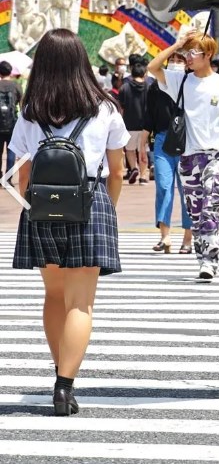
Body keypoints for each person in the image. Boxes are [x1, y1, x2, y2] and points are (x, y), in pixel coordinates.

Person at [9, 29, 129, 416]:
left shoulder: (30, 112)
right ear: (81, 63)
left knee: (54, 296)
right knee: (82, 303)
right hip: (89, 205)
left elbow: (21, 176)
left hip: (41, 210)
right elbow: (116, 171)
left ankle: (59, 371)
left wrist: (33, 207)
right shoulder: (104, 109)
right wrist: (108, 207)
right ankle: (64, 386)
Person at [147, 32, 219, 281]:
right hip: (188, 157)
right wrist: (178, 45)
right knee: (195, 211)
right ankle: (202, 257)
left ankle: (210, 261)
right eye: (188, 53)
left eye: (194, 53)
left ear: (208, 55)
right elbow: (153, 66)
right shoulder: (181, 81)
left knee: (210, 205)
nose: (188, 57)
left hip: (215, 155)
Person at [139, 51, 193, 254]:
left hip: (187, 140)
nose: (176, 63)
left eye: (181, 60)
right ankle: (165, 236)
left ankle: (188, 237)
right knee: (163, 186)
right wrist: (142, 146)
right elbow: (149, 117)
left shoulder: (191, 83)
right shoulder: (155, 87)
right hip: (162, 140)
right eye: (173, 60)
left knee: (187, 190)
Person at [118, 62, 150, 185]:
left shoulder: (124, 88)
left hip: (129, 124)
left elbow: (121, 108)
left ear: (131, 73)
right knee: (143, 150)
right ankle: (143, 176)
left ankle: (133, 168)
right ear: (144, 73)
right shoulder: (149, 87)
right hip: (145, 126)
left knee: (130, 150)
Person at [0, 60, 23, 186]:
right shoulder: (16, 86)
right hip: (12, 124)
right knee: (11, 151)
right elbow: (22, 105)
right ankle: (8, 178)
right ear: (10, 72)